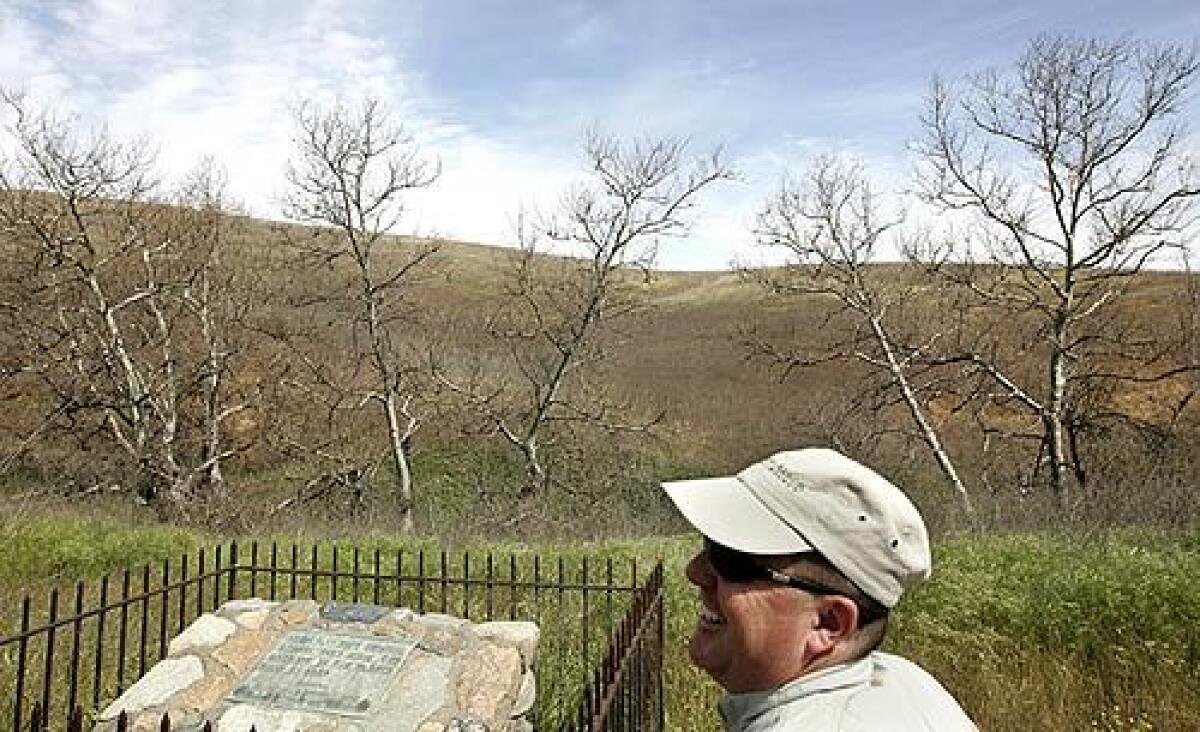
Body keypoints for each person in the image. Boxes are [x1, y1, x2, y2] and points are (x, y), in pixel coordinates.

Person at [662, 447, 978, 731]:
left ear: (829, 623)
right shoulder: (904, 683)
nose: (695, 572)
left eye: (731, 561)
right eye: (711, 545)